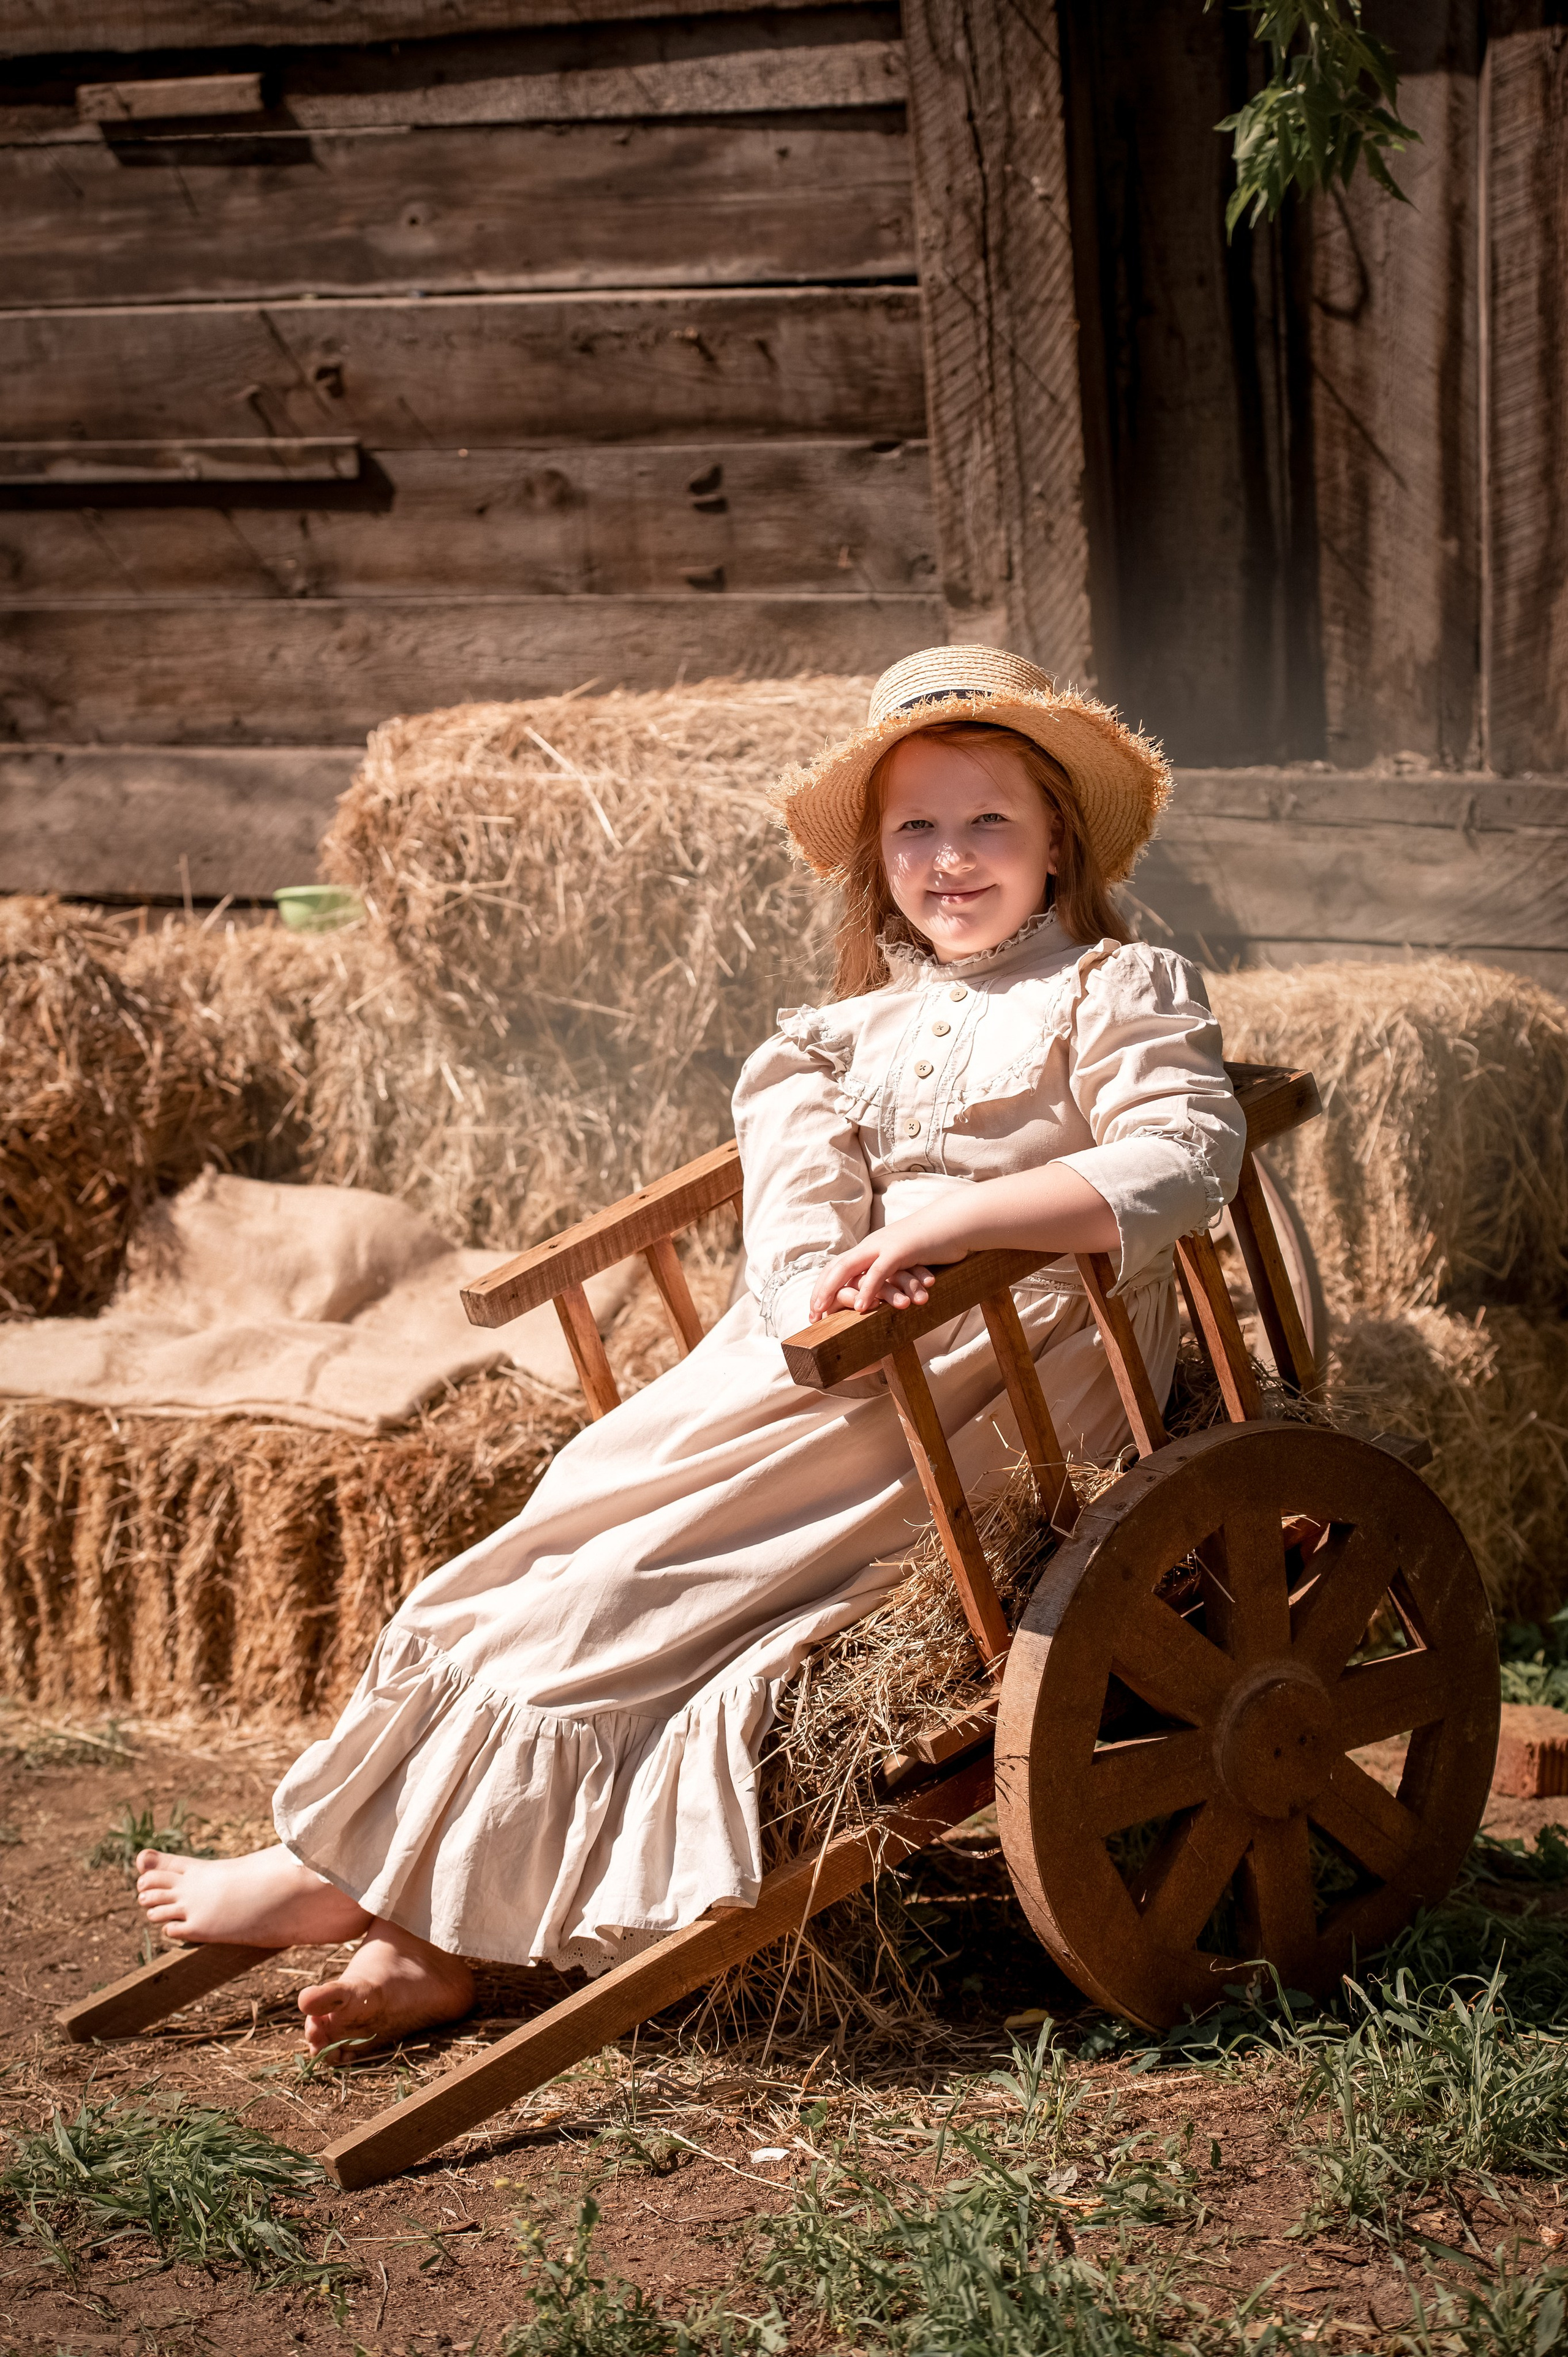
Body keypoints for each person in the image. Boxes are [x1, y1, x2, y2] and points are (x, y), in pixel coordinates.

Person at [136, 644, 1248, 2055]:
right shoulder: (826, 1040)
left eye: (988, 825)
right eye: (915, 827)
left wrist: (960, 1217)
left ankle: (359, 1891)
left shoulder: (1115, 983)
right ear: (873, 858)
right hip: (845, 1356)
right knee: (539, 1560)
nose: (950, 859)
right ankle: (413, 1926)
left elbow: (1182, 1154)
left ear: (1054, 844)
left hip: (1015, 1366)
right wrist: (812, 1305)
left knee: (624, 1593)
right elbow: (791, 1241)